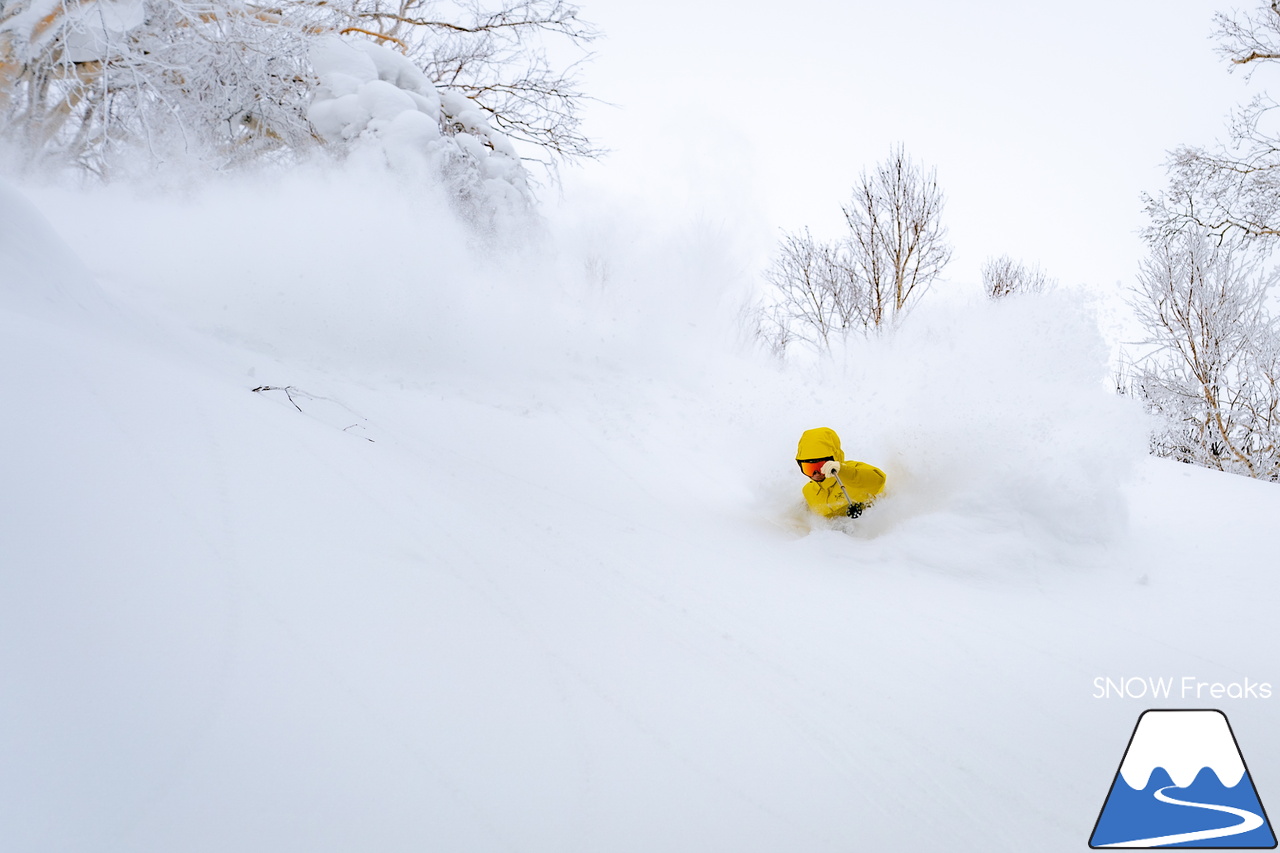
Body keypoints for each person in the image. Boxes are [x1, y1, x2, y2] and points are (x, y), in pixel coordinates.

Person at [795, 427, 886, 518]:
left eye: (821, 466)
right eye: (809, 468)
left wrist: (843, 471)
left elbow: (878, 481)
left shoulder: (852, 471)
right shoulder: (808, 491)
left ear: (833, 458)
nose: (816, 473)